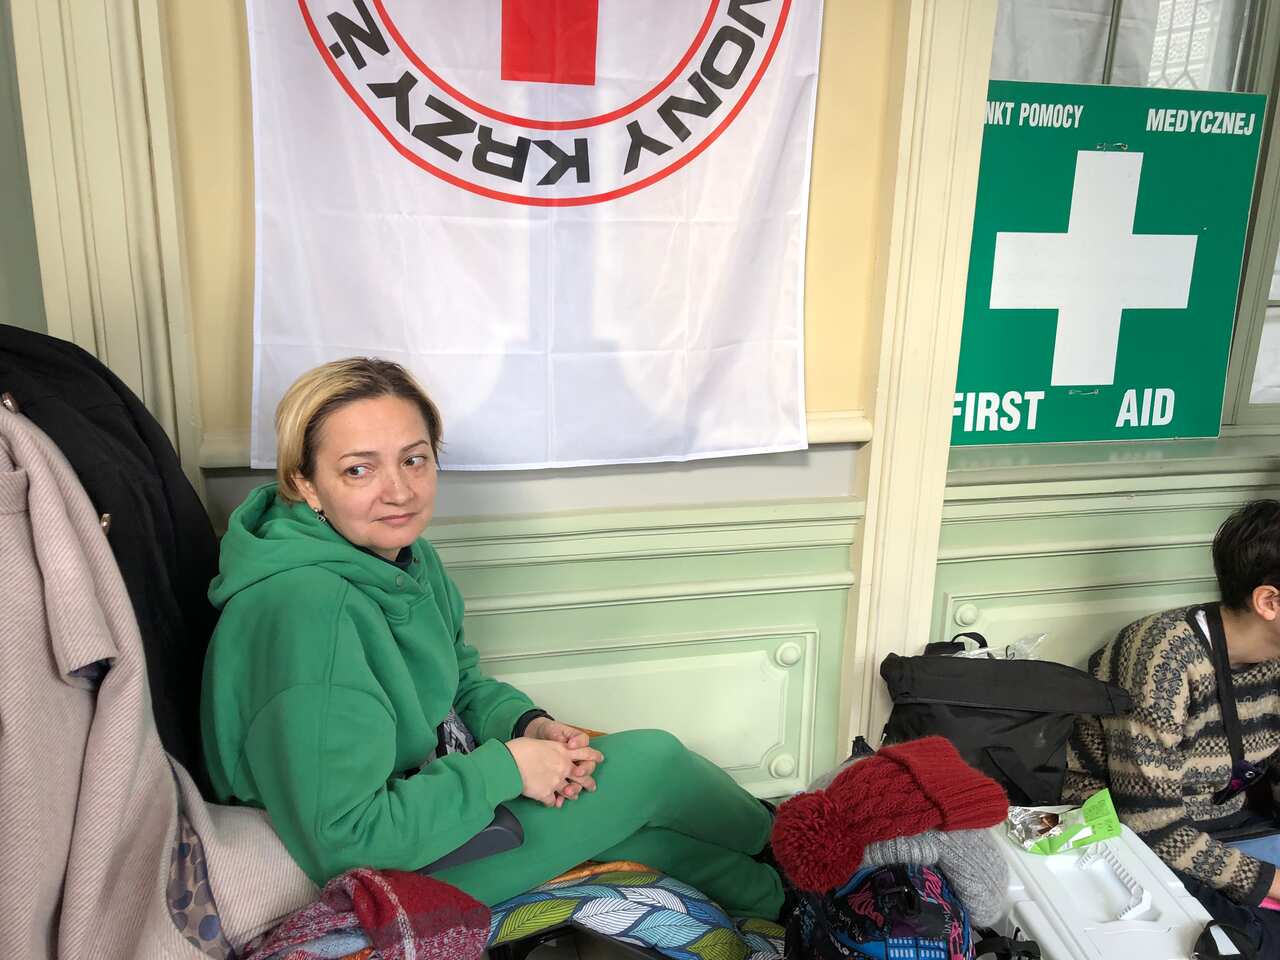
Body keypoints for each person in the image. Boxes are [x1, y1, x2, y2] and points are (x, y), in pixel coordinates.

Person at [200, 357, 784, 921]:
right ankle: (793, 841)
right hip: (371, 874)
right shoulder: (307, 613)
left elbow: (457, 683)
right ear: (305, 483)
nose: (399, 491)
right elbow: (345, 840)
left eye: (414, 460)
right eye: (359, 469)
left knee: (644, 836)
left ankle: (785, 900)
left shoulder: (399, 556)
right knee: (652, 762)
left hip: (427, 802)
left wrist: (527, 725)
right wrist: (504, 769)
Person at [1065, 499, 1280, 949]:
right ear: (1269, 602)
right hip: (1131, 841)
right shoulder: (1162, 657)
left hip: (1229, 827)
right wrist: (1270, 882)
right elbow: (1149, 823)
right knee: (1251, 943)